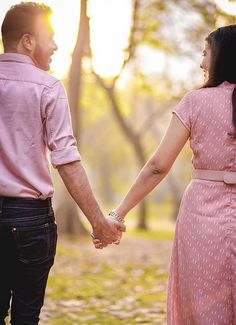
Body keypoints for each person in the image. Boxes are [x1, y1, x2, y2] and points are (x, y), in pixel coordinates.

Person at [94, 24, 236, 324]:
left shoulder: (196, 102)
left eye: (205, 53)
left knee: (204, 305)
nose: (201, 62)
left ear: (222, 57)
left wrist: (118, 214)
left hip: (202, 217)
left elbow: (158, 166)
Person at [0, 2, 125, 325]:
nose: (55, 45)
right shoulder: (47, 87)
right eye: (50, 37)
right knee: (26, 313)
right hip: (30, 221)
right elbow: (66, 161)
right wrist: (99, 223)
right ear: (28, 41)